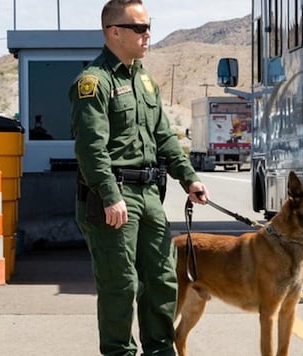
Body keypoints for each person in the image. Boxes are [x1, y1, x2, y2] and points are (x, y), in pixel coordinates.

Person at [69, 1, 209, 355]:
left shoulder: (144, 79)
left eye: (150, 26)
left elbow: (164, 137)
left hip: (148, 194)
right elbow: (91, 148)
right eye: (140, 28)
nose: (148, 35)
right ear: (114, 32)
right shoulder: (93, 82)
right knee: (120, 285)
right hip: (114, 195)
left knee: (162, 280)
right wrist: (109, 194)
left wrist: (188, 178)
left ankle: (160, 351)